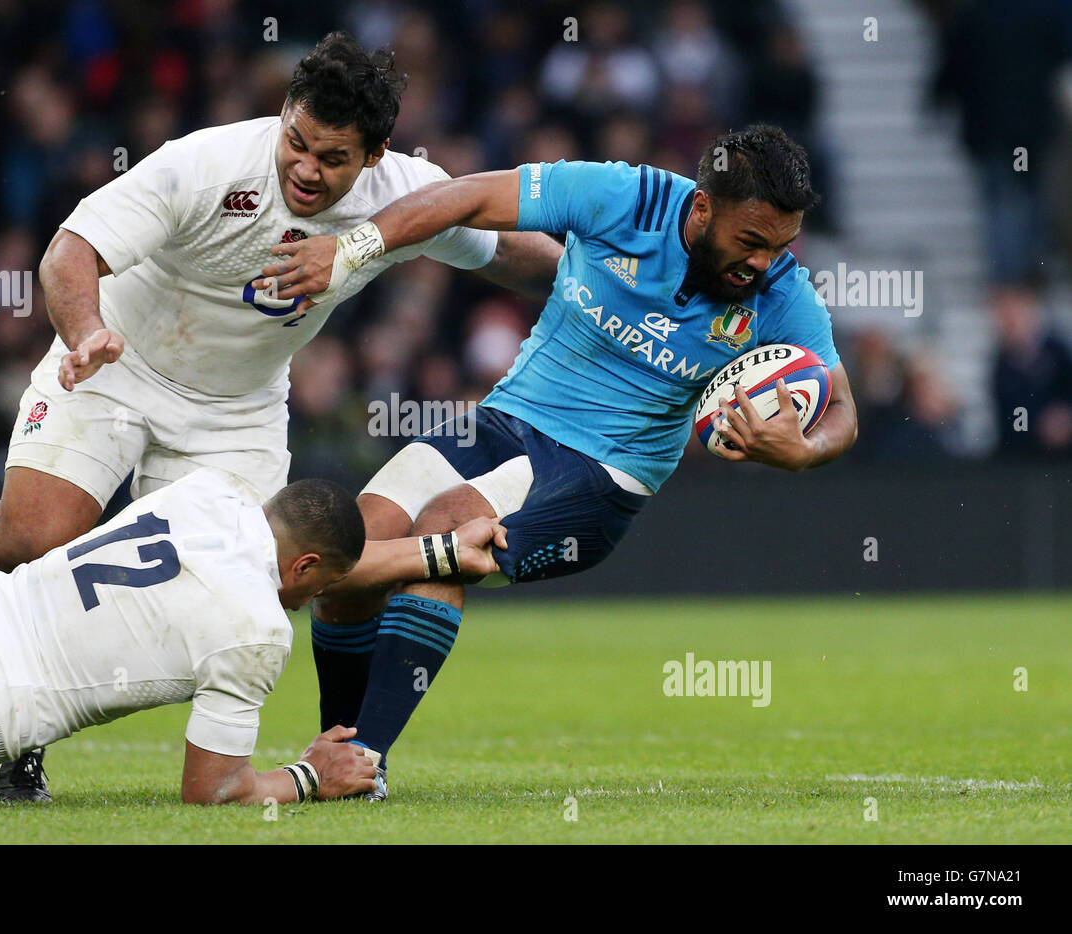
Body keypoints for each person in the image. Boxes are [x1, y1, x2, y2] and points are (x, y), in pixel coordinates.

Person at [0, 31, 561, 798]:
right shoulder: (207, 164)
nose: (306, 168)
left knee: (250, 590)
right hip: (117, 364)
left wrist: (596, 296)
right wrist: (86, 330)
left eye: (333, 159)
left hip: (237, 412)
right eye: (298, 142)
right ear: (285, 112)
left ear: (377, 155)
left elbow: (506, 252)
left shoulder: (404, 196)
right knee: (36, 538)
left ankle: (32, 728)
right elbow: (70, 250)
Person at [264, 124, 859, 799]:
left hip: (601, 475)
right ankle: (341, 750)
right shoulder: (621, 199)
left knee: (448, 532)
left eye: (780, 246)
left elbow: (842, 409)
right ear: (701, 209)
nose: (762, 263)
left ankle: (363, 762)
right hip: (503, 420)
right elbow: (463, 198)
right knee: (352, 547)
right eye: (750, 242)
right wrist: (349, 249)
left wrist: (802, 450)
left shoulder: (783, 297)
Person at [0, 469, 507, 810]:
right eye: (316, 588)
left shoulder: (206, 492)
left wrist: (435, 552)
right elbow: (213, 789)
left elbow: (306, 555)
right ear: (305, 566)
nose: (310, 602)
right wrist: (311, 775)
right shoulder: (255, 631)